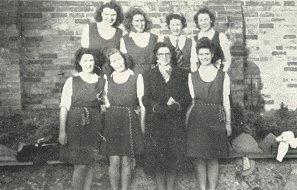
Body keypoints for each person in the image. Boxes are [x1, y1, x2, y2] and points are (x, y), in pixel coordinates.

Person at [142, 42, 191, 190]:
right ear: (156, 57)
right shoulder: (148, 75)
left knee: (173, 158)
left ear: (171, 56)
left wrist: (177, 104)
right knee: (158, 158)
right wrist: (158, 106)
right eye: (160, 54)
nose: (164, 57)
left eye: (167, 54)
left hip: (175, 121)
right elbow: (145, 98)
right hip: (156, 121)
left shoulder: (183, 74)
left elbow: (188, 97)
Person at [186, 37, 232, 190]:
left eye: (207, 54)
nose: (204, 57)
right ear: (197, 56)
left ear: (212, 54)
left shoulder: (222, 76)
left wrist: (228, 123)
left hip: (216, 118)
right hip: (197, 120)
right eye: (201, 54)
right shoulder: (191, 76)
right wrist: (186, 122)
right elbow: (192, 102)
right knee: (199, 158)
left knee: (213, 158)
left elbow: (226, 101)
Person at [59, 48, 105, 190]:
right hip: (76, 125)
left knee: (90, 162)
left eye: (91, 60)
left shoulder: (102, 81)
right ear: (79, 62)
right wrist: (62, 131)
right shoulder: (72, 81)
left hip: (94, 125)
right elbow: (64, 106)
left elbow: (105, 104)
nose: (89, 63)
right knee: (80, 164)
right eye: (85, 60)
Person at [102, 48, 144, 190]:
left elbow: (142, 104)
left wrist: (142, 125)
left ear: (124, 59)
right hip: (113, 121)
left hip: (129, 120)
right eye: (113, 61)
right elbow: (105, 103)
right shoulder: (108, 79)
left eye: (119, 59)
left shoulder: (135, 77)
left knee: (127, 160)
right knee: (114, 160)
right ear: (110, 64)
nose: (117, 63)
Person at [81, 1, 124, 75]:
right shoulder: (89, 28)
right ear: (101, 14)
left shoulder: (120, 33)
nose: (110, 18)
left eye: (113, 14)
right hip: (92, 73)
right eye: (106, 14)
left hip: (112, 74)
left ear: (118, 15)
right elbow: (84, 55)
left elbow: (121, 58)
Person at [191, 7, 231, 72]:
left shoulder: (220, 36)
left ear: (211, 20)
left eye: (206, 19)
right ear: (197, 23)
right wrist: (195, 77)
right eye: (201, 20)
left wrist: (221, 75)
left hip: (218, 73)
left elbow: (228, 60)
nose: (204, 23)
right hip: (201, 75)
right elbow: (193, 62)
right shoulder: (194, 39)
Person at [120, 7, 158, 75]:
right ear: (131, 22)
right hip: (133, 75)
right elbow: (124, 62)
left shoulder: (154, 38)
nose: (140, 24)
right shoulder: (125, 39)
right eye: (137, 21)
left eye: (142, 20)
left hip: (152, 74)